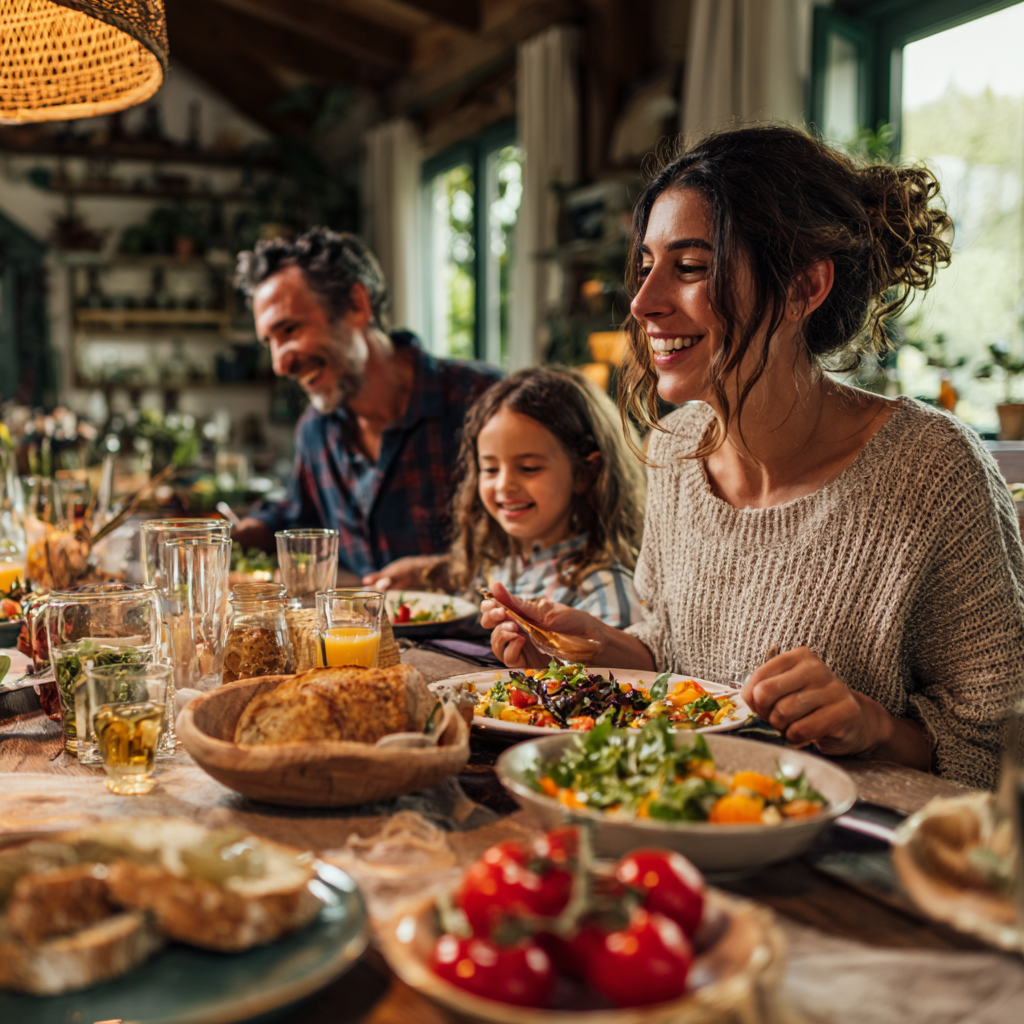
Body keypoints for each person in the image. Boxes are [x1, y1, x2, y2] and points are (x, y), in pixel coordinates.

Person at [482, 124, 1024, 790]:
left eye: (690, 268)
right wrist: (585, 653)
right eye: (647, 265)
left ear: (802, 288)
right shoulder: (674, 450)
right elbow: (677, 664)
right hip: (678, 817)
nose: (643, 303)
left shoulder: (933, 470)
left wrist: (874, 726)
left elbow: (998, 749)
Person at [232, 228, 501, 577]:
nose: (279, 364)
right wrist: (234, 536)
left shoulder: (485, 401)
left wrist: (443, 572)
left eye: (290, 331)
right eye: (269, 342)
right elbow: (296, 513)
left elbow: (549, 547)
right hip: (359, 633)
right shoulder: (316, 429)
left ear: (357, 305)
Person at [364, 367, 646, 627]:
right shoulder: (496, 563)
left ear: (585, 473)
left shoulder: (603, 588)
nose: (504, 485)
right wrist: (429, 573)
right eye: (489, 468)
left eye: (528, 468)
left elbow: (616, 677)